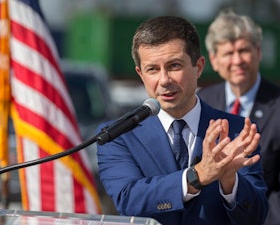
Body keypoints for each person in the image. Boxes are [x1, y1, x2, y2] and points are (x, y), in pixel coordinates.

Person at [96, 15, 268, 225]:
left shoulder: (237, 131)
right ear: (140, 74)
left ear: (199, 66)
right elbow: (129, 200)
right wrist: (196, 177)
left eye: (174, 66)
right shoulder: (117, 135)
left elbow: (257, 216)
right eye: (152, 69)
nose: (164, 80)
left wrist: (230, 181)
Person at [197, 10, 280, 225]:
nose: (237, 60)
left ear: (259, 52)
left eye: (244, 50)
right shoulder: (200, 102)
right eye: (228, 53)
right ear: (214, 60)